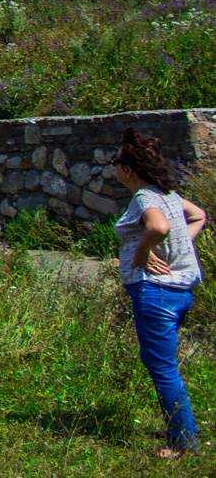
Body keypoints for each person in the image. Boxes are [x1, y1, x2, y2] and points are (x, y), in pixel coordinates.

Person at [112, 128, 206, 458]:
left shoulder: (144, 198)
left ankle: (184, 443)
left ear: (127, 169)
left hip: (156, 293)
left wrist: (142, 252)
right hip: (179, 291)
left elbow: (158, 227)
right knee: (157, 361)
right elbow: (198, 217)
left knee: (164, 369)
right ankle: (179, 425)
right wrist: (176, 247)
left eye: (116, 162)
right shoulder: (168, 194)